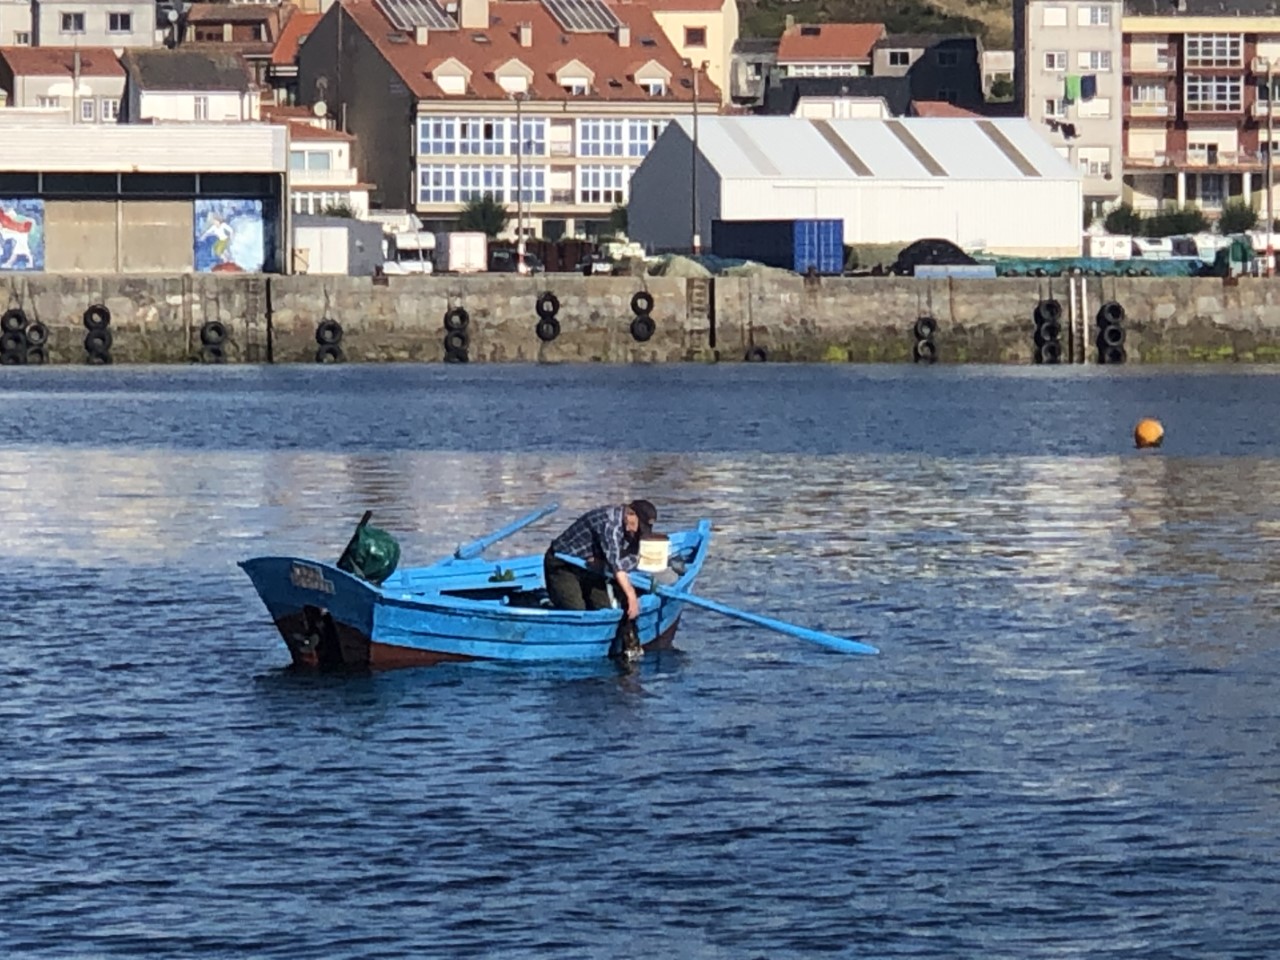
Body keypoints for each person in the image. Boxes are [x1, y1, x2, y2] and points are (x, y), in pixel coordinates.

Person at [544, 500, 658, 621]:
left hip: (589, 567)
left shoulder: (629, 526)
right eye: (637, 526)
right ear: (630, 514)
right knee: (577, 611)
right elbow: (617, 566)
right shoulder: (610, 523)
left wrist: (606, 564)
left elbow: (633, 557)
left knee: (603, 609)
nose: (635, 531)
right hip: (563, 564)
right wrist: (631, 596)